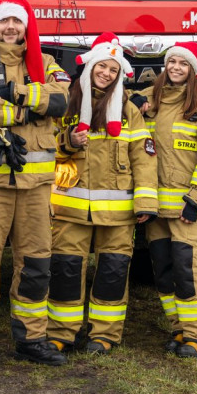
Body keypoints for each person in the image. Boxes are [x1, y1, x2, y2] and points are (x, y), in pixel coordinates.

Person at [0, 0, 71, 372]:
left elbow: (61, 101)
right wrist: (28, 109)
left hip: (36, 187)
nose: (10, 28)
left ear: (25, 27)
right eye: (4, 22)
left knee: (36, 266)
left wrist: (17, 95)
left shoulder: (48, 64)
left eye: (16, 22)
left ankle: (31, 339)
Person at [46, 33, 158, 355]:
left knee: (112, 272)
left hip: (118, 211)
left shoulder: (127, 109)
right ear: (90, 65)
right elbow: (42, 146)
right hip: (70, 208)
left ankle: (104, 336)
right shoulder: (65, 100)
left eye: (113, 70)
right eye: (102, 67)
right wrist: (68, 141)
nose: (106, 74)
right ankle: (61, 333)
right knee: (65, 271)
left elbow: (144, 156)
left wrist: (145, 201)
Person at [134, 42, 197, 358]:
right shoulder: (148, 102)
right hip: (155, 207)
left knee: (188, 270)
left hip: (188, 207)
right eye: (170, 61)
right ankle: (179, 329)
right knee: (164, 269)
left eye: (182, 63)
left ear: (193, 70)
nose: (175, 67)